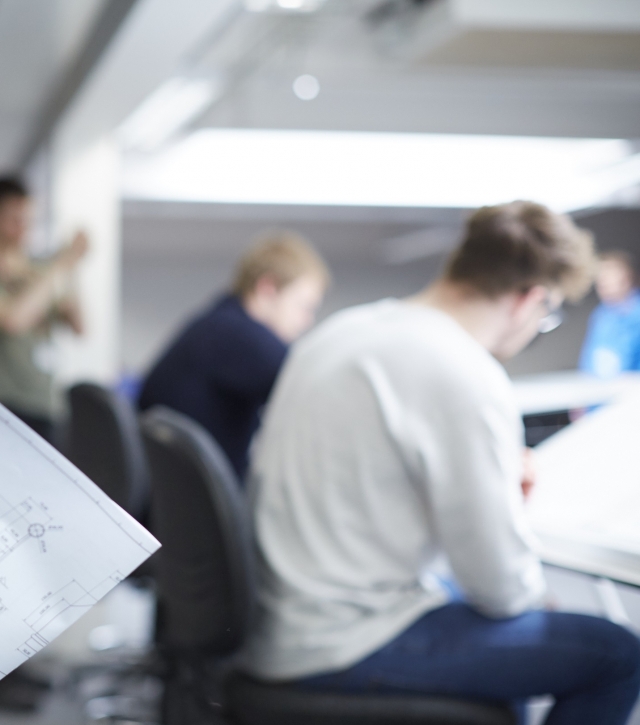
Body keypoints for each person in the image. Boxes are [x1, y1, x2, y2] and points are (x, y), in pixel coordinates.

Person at [243, 201, 640, 723]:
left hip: (280, 622)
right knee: (614, 654)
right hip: (341, 640)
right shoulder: (465, 372)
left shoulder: (342, 331)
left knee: (478, 614)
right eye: (548, 316)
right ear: (530, 300)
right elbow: (500, 588)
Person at [138, 231, 328, 481]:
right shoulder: (243, 337)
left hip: (169, 496)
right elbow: (323, 394)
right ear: (268, 289)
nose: (307, 321)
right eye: (303, 306)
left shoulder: (218, 321)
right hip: (198, 502)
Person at [0, 177, 86, 441]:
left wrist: (70, 269)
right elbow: (12, 320)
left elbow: (77, 324)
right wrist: (59, 266)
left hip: (50, 404)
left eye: (26, 220)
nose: (22, 228)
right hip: (7, 403)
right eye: (13, 219)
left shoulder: (38, 271)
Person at [580, 250, 640, 377]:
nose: (602, 281)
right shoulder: (600, 315)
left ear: (626, 278)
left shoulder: (636, 313)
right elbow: (588, 359)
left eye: (608, 275)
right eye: (600, 277)